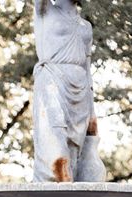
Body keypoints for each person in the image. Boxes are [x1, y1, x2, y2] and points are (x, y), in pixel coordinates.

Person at [33, 0, 106, 182]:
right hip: (52, 81)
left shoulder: (85, 27)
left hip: (80, 89)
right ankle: (50, 191)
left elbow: (87, 68)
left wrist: (92, 112)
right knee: (55, 148)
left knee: (74, 153)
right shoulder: (46, 10)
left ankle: (71, 195)